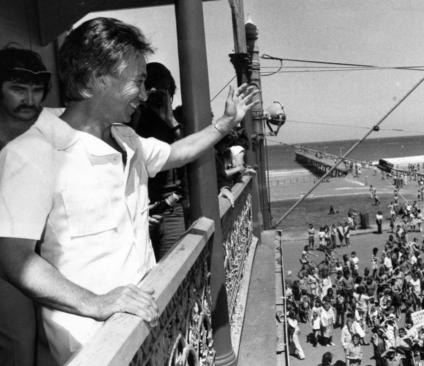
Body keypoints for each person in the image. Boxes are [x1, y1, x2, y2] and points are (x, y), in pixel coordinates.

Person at [0, 17, 257, 364]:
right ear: (96, 79)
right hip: (92, 349)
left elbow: (177, 153)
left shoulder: (128, 140)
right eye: (137, 81)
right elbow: (13, 258)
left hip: (148, 335)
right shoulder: (31, 153)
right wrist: (96, 302)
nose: (145, 93)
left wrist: (224, 124)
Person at [0, 46, 56, 366]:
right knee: (19, 346)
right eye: (18, 89)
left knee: (51, 344)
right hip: (5, 265)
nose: (30, 100)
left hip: (42, 257)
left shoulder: (47, 134)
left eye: (37, 90)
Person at [133, 62, 186, 260]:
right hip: (141, 207)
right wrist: (140, 110)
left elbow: (195, 155)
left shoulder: (179, 121)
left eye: (161, 94)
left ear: (170, 95)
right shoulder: (131, 118)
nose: (154, 99)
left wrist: (171, 121)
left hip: (171, 208)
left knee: (174, 265)